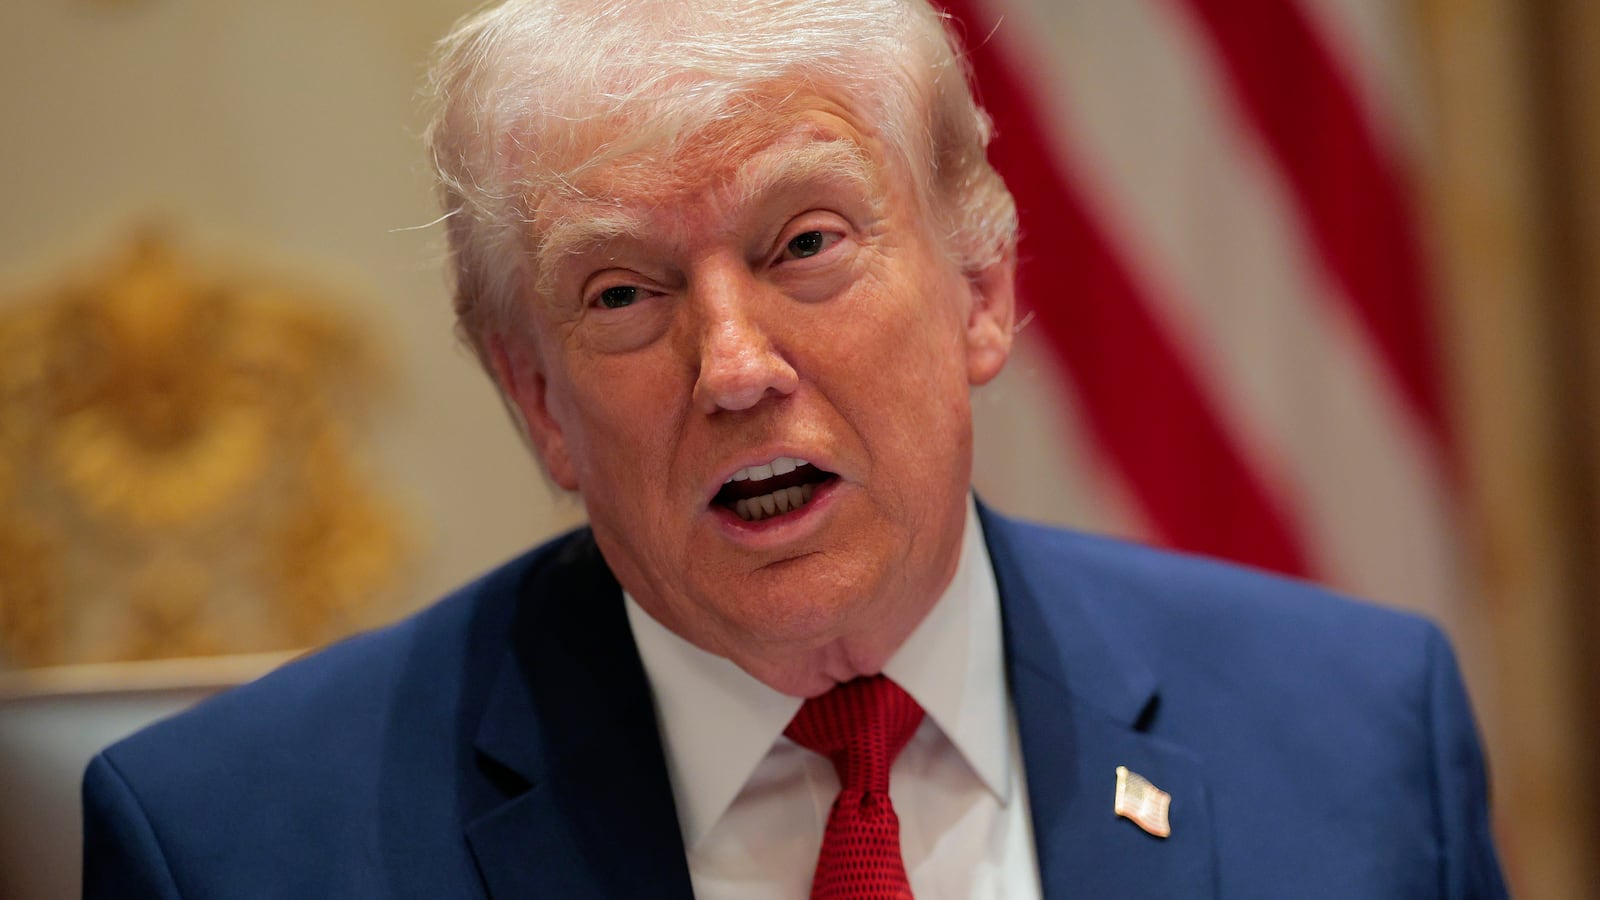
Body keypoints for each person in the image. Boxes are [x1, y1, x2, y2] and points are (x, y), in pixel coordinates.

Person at [82, 0, 1509, 897]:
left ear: (981, 290)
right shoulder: (234, 848)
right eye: (622, 294)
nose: (736, 368)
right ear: (536, 400)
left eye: (806, 243)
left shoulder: (1358, 736)